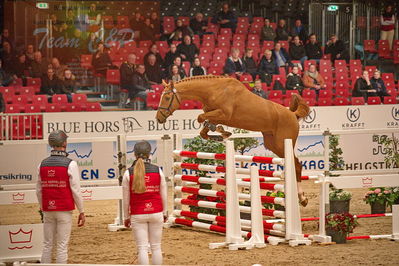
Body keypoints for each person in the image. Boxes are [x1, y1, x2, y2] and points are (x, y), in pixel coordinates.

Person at [36, 130, 85, 264]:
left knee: (47, 245)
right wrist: (81, 211)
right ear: (64, 143)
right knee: (62, 247)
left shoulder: (42, 164)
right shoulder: (71, 164)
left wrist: (42, 206)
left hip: (48, 209)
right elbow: (76, 190)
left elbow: (38, 190)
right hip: (64, 209)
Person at [122, 140, 167, 265]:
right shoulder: (158, 170)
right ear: (150, 154)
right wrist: (165, 212)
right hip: (156, 212)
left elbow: (126, 199)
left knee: (142, 248)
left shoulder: (128, 173)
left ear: (135, 155)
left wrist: (126, 217)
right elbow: (163, 194)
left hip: (138, 213)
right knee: (156, 247)